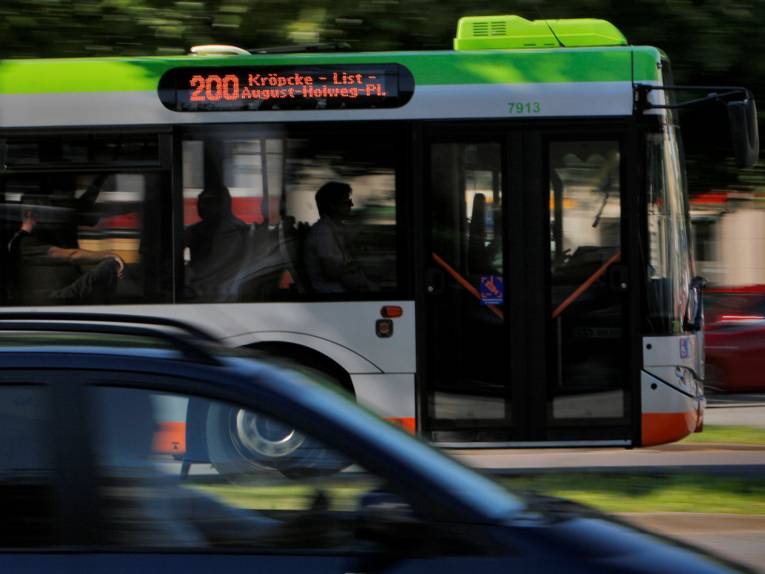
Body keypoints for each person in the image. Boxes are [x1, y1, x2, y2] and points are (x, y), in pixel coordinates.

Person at [8, 194, 125, 304]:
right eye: (43, 212)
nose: (47, 217)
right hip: (51, 299)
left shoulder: (31, 237)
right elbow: (71, 256)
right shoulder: (24, 242)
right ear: (29, 214)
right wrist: (110, 255)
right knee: (108, 266)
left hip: (51, 294)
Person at [303, 181, 372, 293]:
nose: (351, 204)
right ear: (333, 206)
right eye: (346, 201)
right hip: (332, 292)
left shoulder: (333, 227)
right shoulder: (323, 232)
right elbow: (331, 273)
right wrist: (353, 266)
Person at [184, 185, 249, 300]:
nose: (200, 206)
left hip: (222, 294)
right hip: (206, 290)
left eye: (207, 201)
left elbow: (213, 265)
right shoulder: (197, 229)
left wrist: (189, 274)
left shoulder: (233, 231)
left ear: (222, 204)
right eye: (200, 200)